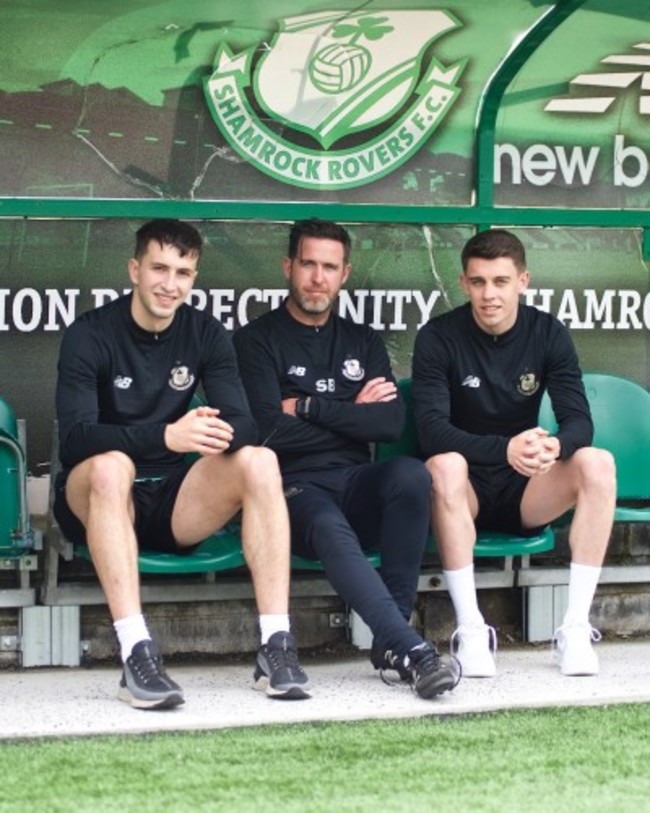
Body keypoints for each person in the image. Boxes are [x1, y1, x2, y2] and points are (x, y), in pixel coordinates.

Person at [53, 218, 310, 709]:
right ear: (135, 270)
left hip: (172, 501)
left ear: (194, 278)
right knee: (111, 466)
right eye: (159, 269)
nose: (170, 284)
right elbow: (76, 440)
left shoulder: (205, 332)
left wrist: (214, 431)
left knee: (259, 461)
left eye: (183, 273)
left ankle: (276, 645)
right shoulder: (90, 333)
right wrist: (166, 435)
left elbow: (247, 424)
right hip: (97, 497)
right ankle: (136, 652)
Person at [233, 218, 460, 699]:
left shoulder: (362, 341)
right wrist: (353, 412)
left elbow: (389, 423)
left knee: (411, 475)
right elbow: (267, 430)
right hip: (292, 491)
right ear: (288, 267)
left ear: (345, 273)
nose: (318, 278)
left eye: (330, 267)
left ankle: (389, 642)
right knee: (326, 519)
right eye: (308, 264)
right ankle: (410, 647)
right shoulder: (256, 340)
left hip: (355, 481)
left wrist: (310, 407)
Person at [412, 229, 616, 678]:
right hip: (464, 489)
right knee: (443, 465)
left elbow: (579, 423)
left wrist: (555, 446)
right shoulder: (438, 336)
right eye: (478, 282)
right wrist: (504, 449)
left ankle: (575, 630)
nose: (490, 294)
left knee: (597, 463)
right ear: (463, 283)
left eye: (501, 281)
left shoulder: (547, 332)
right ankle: (470, 630)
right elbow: (431, 433)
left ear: (523, 281)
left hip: (527, 488)